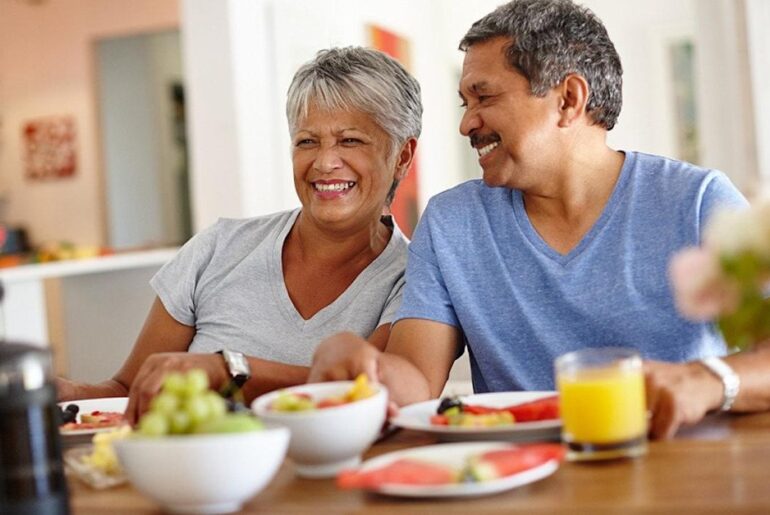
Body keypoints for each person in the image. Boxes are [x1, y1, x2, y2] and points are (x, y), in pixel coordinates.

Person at [308, 0, 757, 439]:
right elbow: (416, 383)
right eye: (464, 102)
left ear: (568, 99)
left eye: (483, 97)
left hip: (679, 473)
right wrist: (367, 365)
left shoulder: (697, 202)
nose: (466, 124)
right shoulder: (452, 223)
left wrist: (710, 379)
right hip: (519, 484)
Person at [57, 46, 422, 422]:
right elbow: (126, 390)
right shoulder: (218, 247)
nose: (325, 162)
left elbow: (365, 392)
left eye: (350, 141)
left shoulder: (413, 279)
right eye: (307, 141)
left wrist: (228, 370)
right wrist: (71, 392)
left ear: (402, 157)